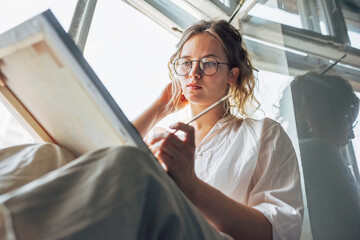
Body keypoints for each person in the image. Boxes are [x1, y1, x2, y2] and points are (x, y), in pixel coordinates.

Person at [0, 20, 303, 240]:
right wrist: (160, 108)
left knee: (134, 165)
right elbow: (99, 156)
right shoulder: (166, 131)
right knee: (52, 154)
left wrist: (191, 185)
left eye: (209, 63)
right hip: (149, 230)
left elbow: (276, 232)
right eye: (186, 63)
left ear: (232, 76)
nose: (194, 73)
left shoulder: (263, 133)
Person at [289, 72, 360, 239]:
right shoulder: (319, 151)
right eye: (347, 120)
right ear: (318, 115)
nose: (351, 135)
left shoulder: (289, 154)